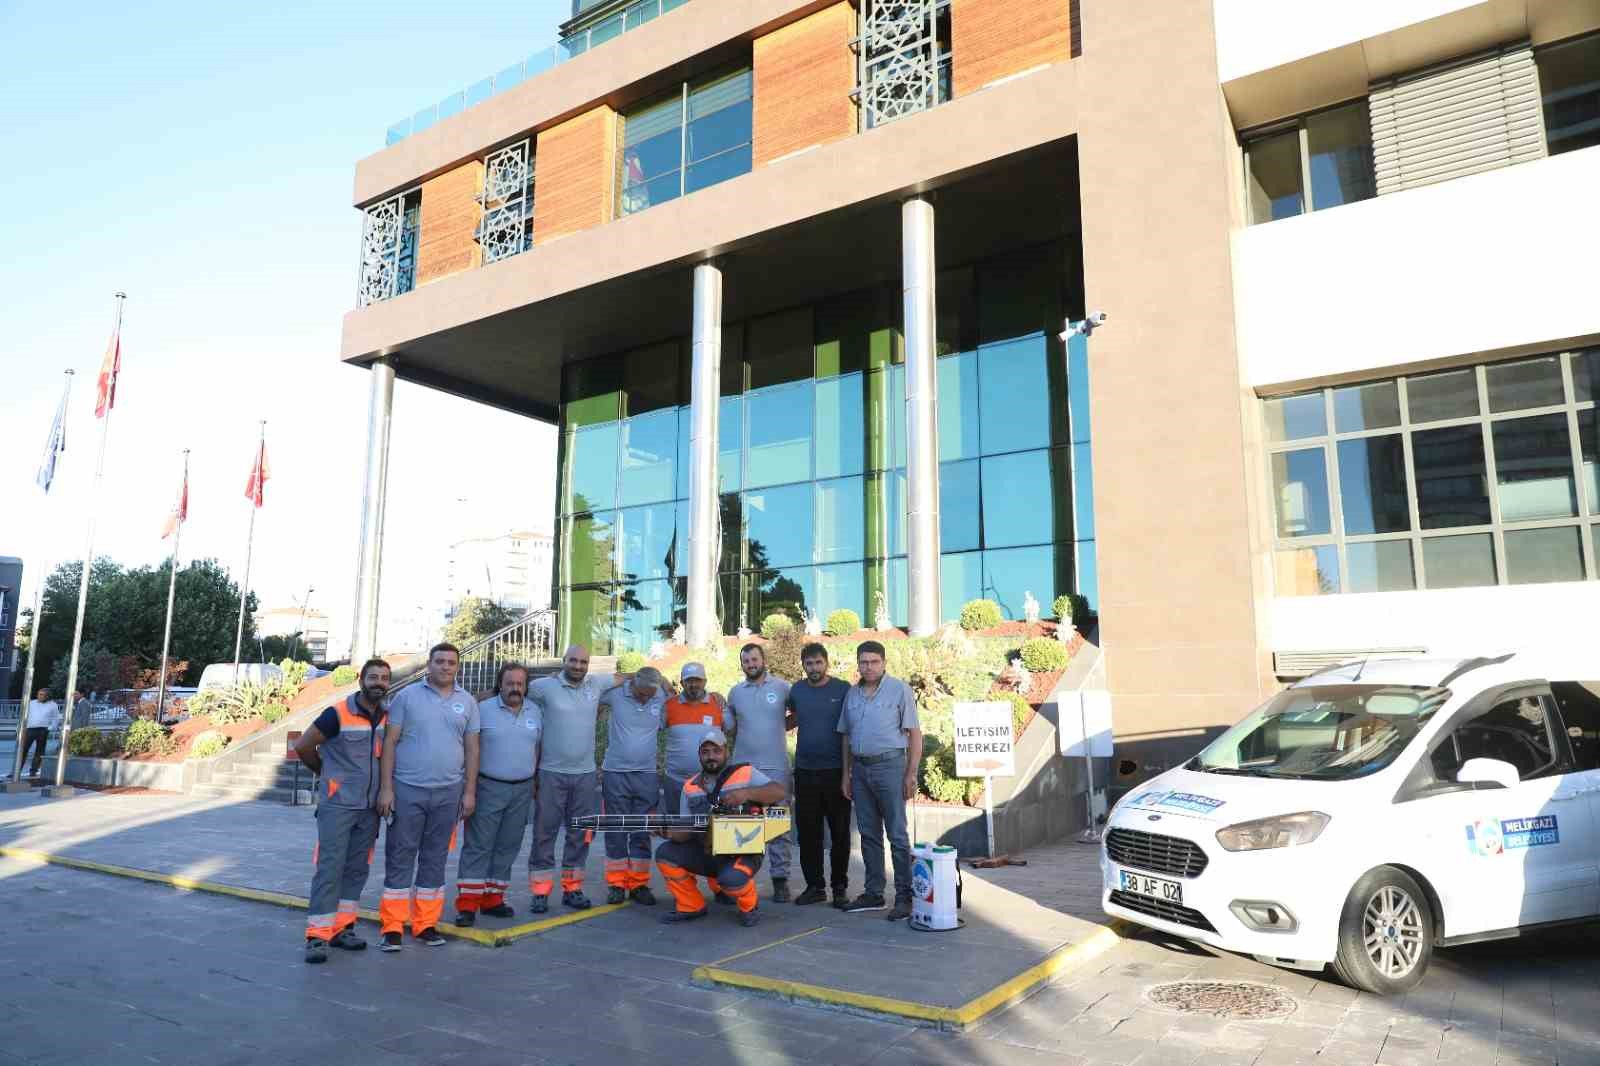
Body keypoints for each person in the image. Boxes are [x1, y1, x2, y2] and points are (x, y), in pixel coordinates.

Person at [376, 643, 480, 951]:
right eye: (440, 661)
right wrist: (386, 788)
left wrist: (470, 792)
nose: (446, 667)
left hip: (449, 793)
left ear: (457, 667)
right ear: (429, 665)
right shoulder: (407, 697)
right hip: (408, 790)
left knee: (435, 859)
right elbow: (390, 744)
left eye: (451, 662)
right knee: (400, 857)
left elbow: (473, 749)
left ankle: (425, 924)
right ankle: (393, 926)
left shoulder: (468, 702)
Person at [294, 659, 391, 964]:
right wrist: (326, 775)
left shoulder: (387, 716)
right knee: (330, 869)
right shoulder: (337, 713)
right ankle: (317, 936)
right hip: (338, 805)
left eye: (384, 678)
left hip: (369, 807)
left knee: (357, 870)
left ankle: (342, 929)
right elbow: (304, 746)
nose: (379, 682)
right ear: (361, 680)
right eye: (373, 677)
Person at [655, 728, 786, 928]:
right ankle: (691, 905)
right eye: (705, 752)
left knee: (732, 880)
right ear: (699, 755)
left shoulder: (745, 773)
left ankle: (749, 906)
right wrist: (667, 832)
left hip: (743, 852)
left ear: (726, 751)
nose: (711, 757)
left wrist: (745, 793)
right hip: (708, 851)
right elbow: (685, 831)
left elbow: (778, 791)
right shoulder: (690, 786)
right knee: (665, 853)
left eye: (716, 751)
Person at [526, 644, 620, 913]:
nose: (578, 666)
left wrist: (657, 678)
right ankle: (540, 892)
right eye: (573, 661)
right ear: (563, 661)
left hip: (585, 775)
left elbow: (627, 678)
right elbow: (513, 691)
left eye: (583, 662)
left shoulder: (595, 684)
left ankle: (573, 889)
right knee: (545, 833)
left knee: (579, 834)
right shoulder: (544, 687)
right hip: (551, 773)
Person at [838, 640, 922, 920]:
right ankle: (874, 893)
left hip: (890, 767)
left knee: (897, 834)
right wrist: (846, 775)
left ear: (884, 663)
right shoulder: (852, 694)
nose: (868, 667)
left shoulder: (899, 690)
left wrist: (911, 773)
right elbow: (846, 736)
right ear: (858, 664)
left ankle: (904, 896)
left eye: (874, 661)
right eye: (864, 662)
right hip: (860, 771)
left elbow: (914, 734)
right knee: (868, 834)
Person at [455, 662, 539, 926]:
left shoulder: (535, 711)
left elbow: (537, 747)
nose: (515, 688)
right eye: (509, 683)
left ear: (525, 686)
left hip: (523, 789)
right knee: (478, 847)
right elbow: (471, 749)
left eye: (519, 684)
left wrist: (534, 780)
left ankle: (493, 900)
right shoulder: (482, 711)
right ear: (499, 685)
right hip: (488, 786)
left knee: (508, 846)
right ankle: (467, 905)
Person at [724, 643, 793, 902]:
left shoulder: (782, 688)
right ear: (742, 664)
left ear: (764, 660)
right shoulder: (735, 693)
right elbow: (729, 728)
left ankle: (780, 880)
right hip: (743, 770)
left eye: (754, 659)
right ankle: (739, 881)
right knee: (743, 826)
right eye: (746, 661)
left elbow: (798, 713)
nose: (751, 664)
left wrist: (780, 727)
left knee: (777, 827)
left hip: (776, 768)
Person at [785, 643, 852, 908]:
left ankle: (839, 887)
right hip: (804, 772)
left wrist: (849, 772)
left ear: (827, 663)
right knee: (808, 833)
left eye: (818, 663)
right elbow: (790, 718)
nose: (814, 668)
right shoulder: (797, 690)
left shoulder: (843, 689)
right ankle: (815, 887)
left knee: (839, 833)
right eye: (809, 663)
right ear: (803, 665)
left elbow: (852, 727)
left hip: (835, 772)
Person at [600, 667, 668, 905]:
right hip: (615, 772)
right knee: (616, 828)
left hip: (647, 774)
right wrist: (626, 675)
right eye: (641, 694)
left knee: (641, 829)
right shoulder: (616, 693)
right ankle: (617, 884)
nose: (646, 698)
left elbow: (679, 697)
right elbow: (590, 693)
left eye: (650, 695)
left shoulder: (659, 694)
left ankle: (638, 883)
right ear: (633, 684)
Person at [660, 662, 729, 818]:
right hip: (675, 781)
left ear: (705, 681)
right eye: (689, 681)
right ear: (682, 683)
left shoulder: (718, 704)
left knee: (709, 829)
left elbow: (731, 730)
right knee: (676, 828)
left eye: (697, 680)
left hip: (710, 781)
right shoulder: (669, 705)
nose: (693, 685)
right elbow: (650, 729)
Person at [21, 688, 60, 778]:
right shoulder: (32, 703)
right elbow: (25, 715)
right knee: (23, 750)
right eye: (39, 694)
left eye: (42, 694)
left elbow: (55, 718)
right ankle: (16, 770)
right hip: (30, 729)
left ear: (47, 696)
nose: (39, 696)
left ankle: (33, 771)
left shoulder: (53, 705)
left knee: (39, 751)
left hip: (43, 730)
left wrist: (50, 728)